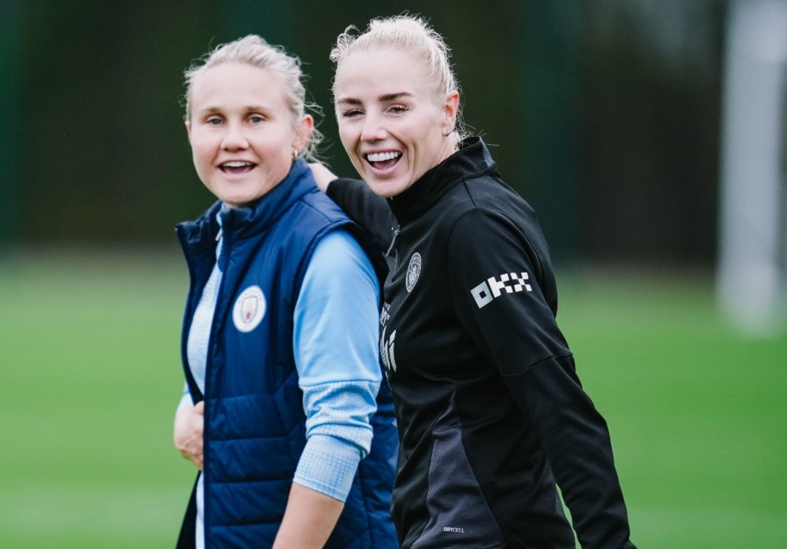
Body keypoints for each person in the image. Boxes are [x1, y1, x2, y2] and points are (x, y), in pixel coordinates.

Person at [311, 14, 637, 548]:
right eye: (353, 111)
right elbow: (388, 218)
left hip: (480, 533)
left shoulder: (472, 228)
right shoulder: (424, 209)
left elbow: (559, 402)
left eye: (396, 107)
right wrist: (318, 181)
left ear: (446, 111)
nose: (371, 130)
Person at [172, 34, 398, 548]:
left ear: (300, 134)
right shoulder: (224, 236)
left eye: (256, 118)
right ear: (189, 133)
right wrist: (185, 414)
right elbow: (223, 371)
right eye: (214, 120)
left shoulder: (327, 251)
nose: (232, 139)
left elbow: (339, 432)